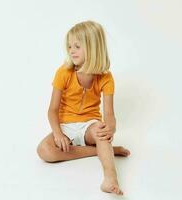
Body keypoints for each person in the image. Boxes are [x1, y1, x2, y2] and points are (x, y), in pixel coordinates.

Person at [37, 20, 130, 196]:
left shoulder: (105, 78)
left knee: (101, 132)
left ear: (93, 48)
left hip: (89, 126)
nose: (71, 50)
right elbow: (52, 110)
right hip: (66, 126)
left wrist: (110, 127)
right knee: (44, 150)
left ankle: (110, 178)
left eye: (77, 46)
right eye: (70, 46)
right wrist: (58, 133)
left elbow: (109, 114)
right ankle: (106, 151)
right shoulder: (63, 73)